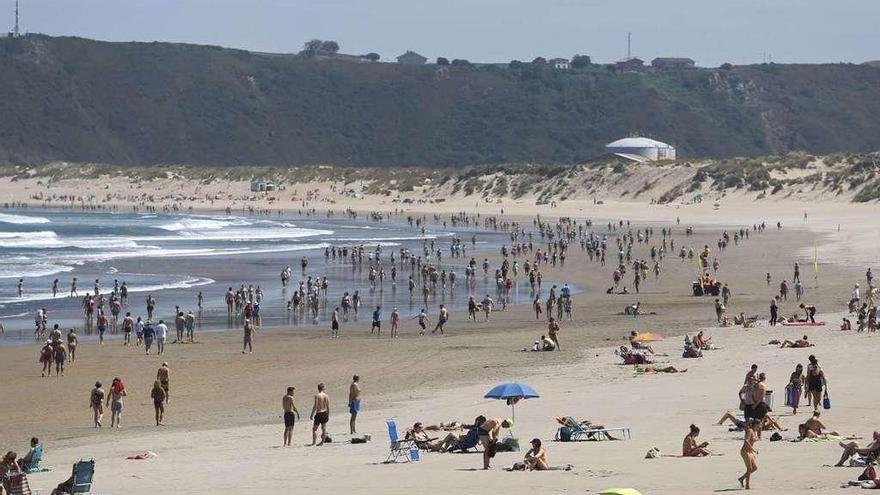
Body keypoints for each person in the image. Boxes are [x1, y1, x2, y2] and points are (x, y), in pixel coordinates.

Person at [738, 419, 760, 489]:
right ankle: (747, 485)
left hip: (750, 451)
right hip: (745, 451)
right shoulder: (750, 431)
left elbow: (752, 440)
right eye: (759, 424)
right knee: (749, 469)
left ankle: (741, 478)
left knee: (754, 468)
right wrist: (753, 449)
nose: (760, 426)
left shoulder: (754, 431)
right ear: (755, 424)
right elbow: (746, 440)